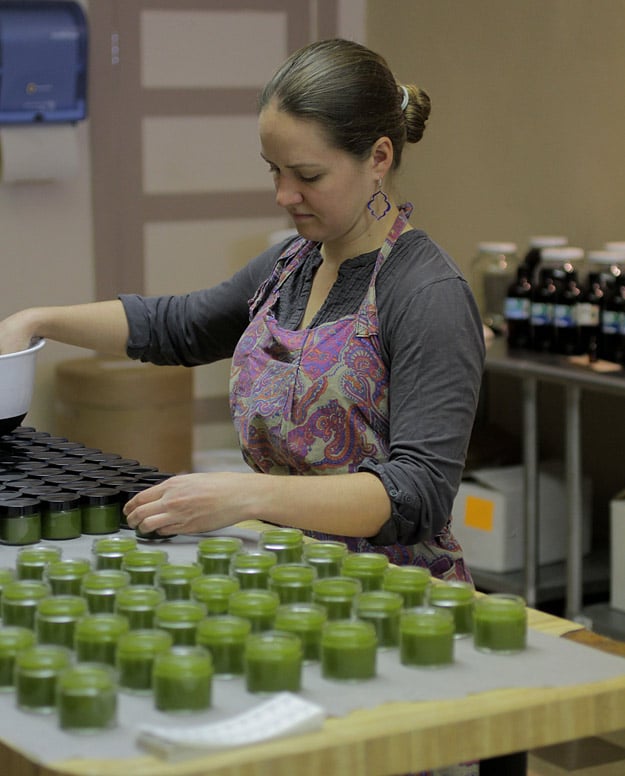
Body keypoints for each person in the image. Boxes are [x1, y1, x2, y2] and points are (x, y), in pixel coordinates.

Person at [0, 38, 484, 583]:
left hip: (396, 599)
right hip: (285, 578)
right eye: (273, 170)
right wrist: (35, 321)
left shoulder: (426, 292)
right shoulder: (289, 266)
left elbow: (416, 493)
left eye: (308, 175)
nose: (283, 195)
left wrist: (244, 494)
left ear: (378, 158)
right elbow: (179, 326)